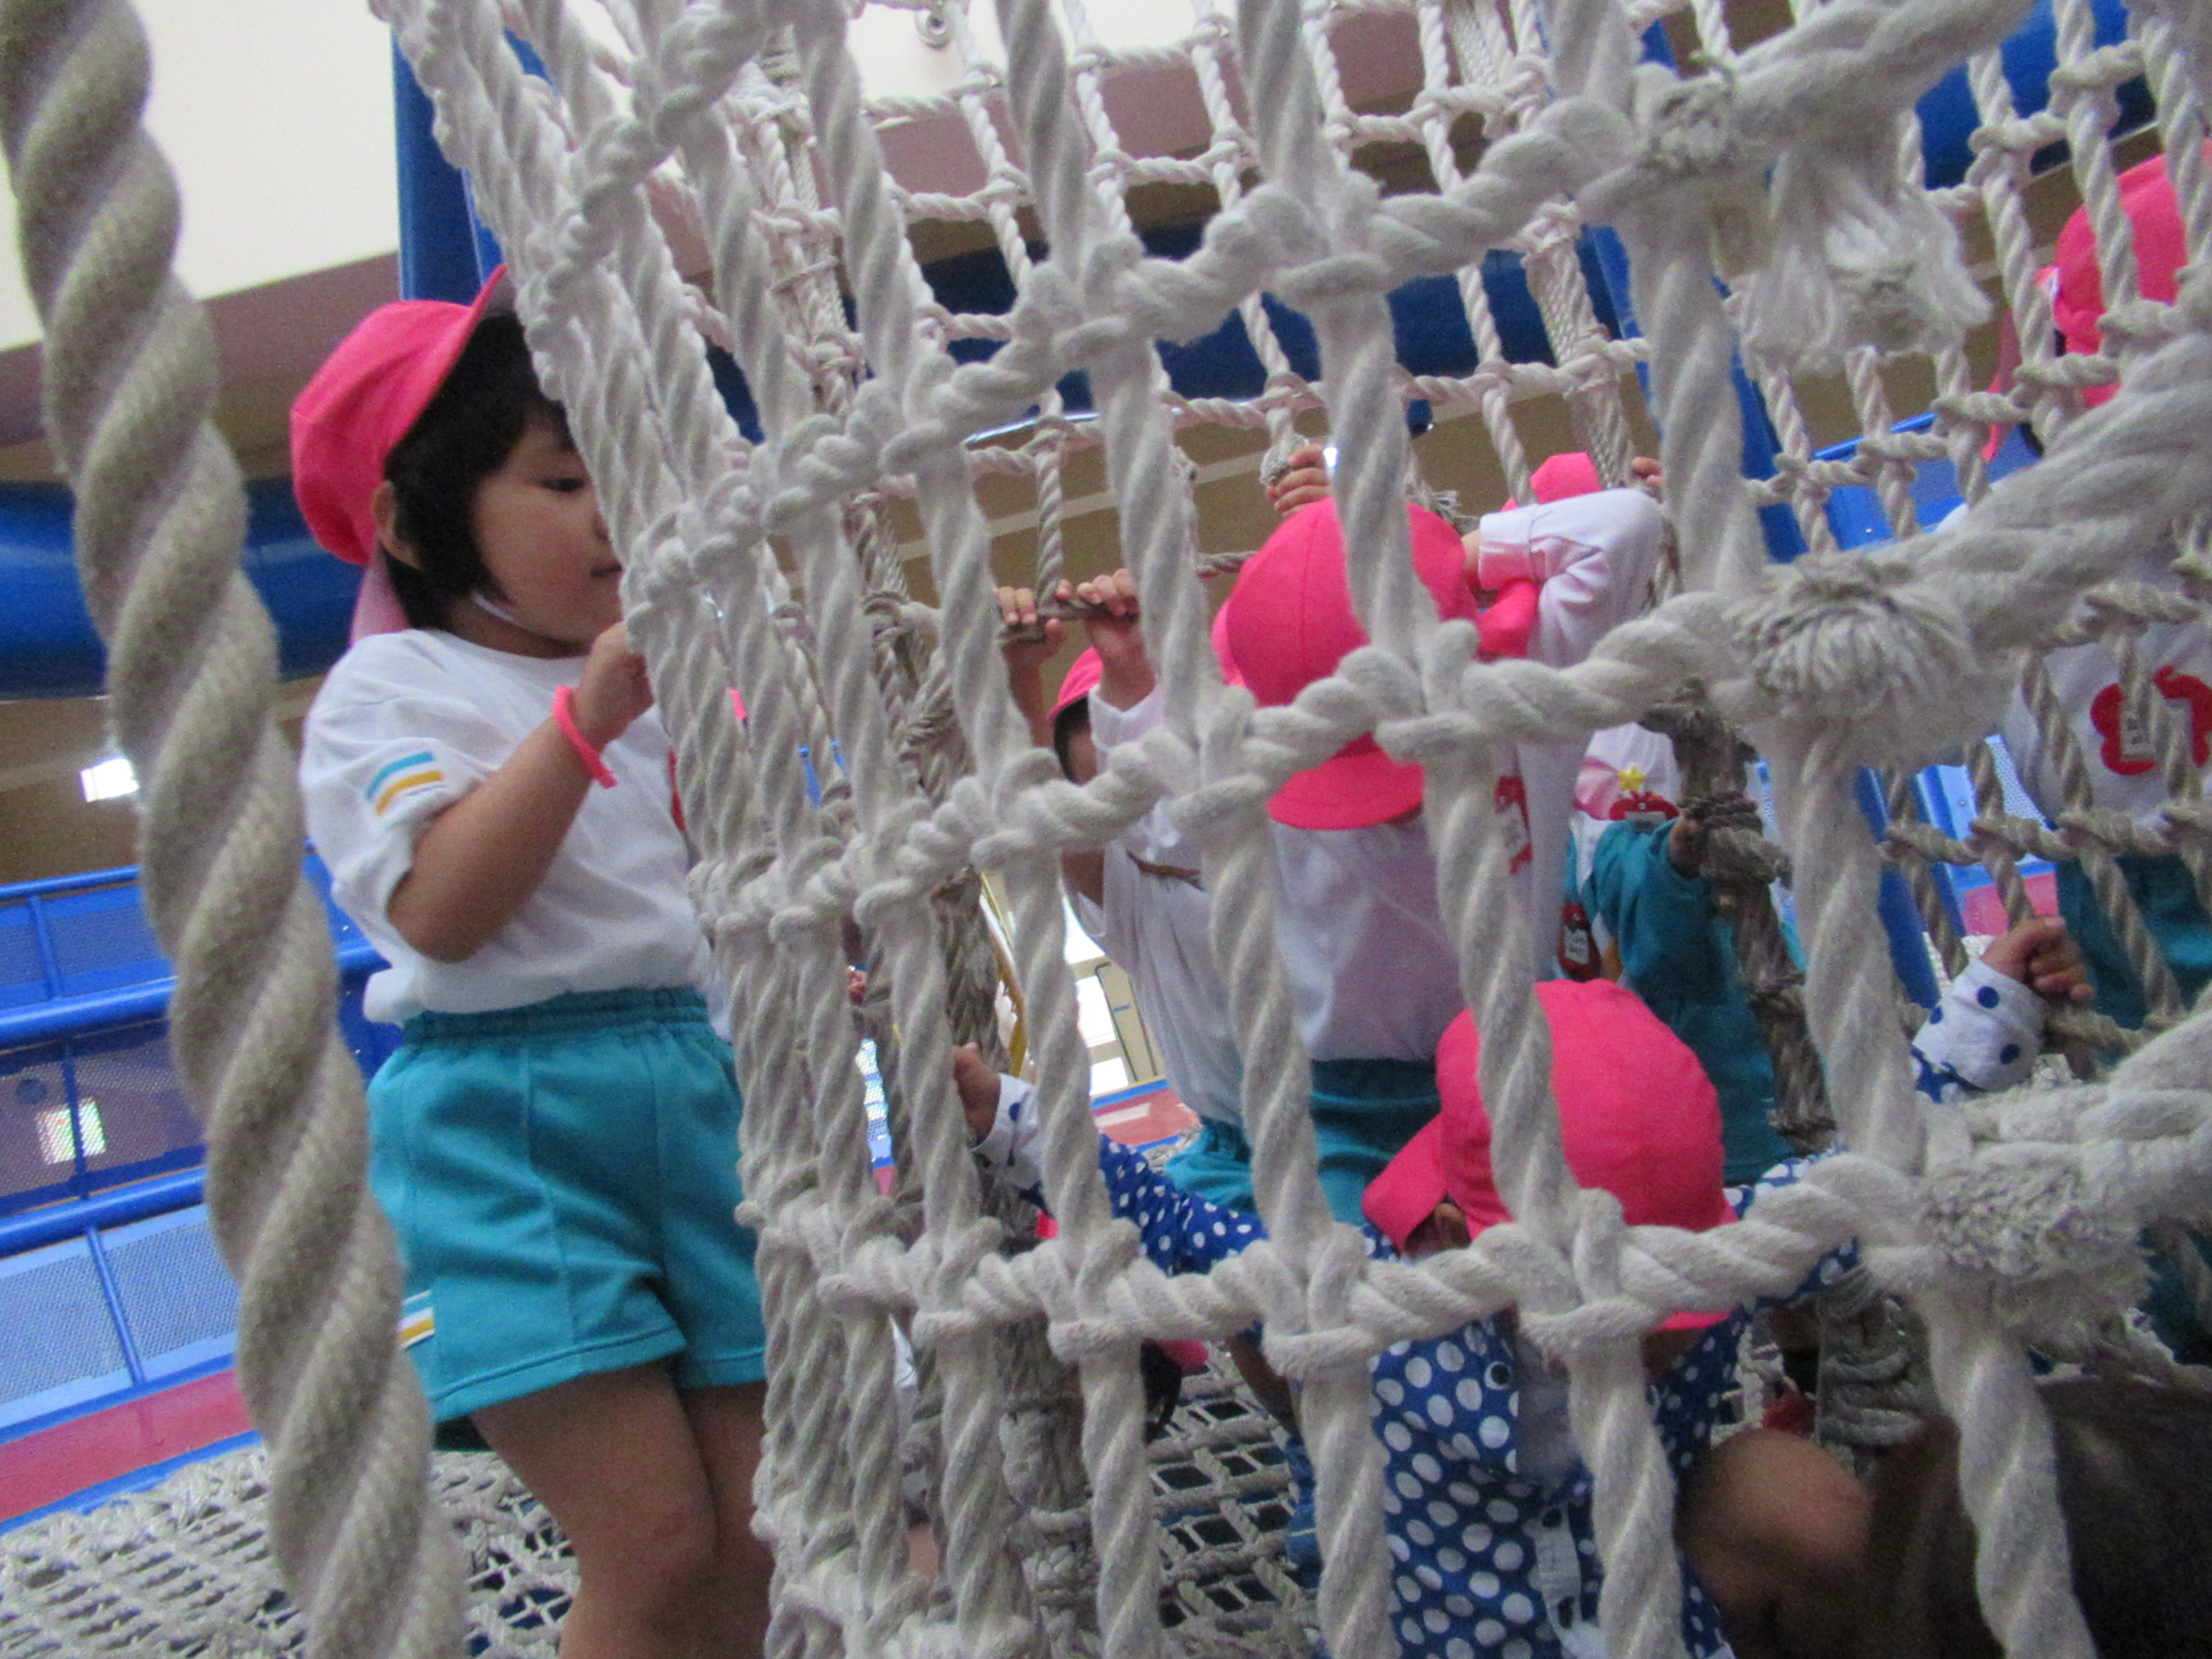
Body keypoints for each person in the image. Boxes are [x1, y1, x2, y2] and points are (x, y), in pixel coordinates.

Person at [958, 914, 2088, 1659]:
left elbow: (1871, 1176)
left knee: (1790, 1497)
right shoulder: (1372, 1314)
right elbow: (1172, 1224)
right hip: (1443, 1639)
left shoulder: (1721, 1251)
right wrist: (1005, 1117)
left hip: (1653, 1617)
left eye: (1671, 1298)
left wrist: (1996, 1000)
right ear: (1460, 1240)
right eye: (1612, 1300)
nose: (1653, 1335)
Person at [292, 273, 773, 1658]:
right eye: (563, 481)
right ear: (412, 525)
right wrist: (586, 721)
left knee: (765, 1530)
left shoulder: (656, 680)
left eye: (618, 471)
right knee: (657, 1546)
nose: (611, 512)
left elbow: (709, 888)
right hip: (505, 1118)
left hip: (687, 1078)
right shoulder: (391, 690)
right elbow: (444, 908)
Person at [1220, 485, 1665, 1223]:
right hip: (1354, 1107)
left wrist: (1452, 561)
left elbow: (1627, 524)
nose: (1383, 798)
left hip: (1523, 1054)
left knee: (1594, 1245)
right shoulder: (1255, 756)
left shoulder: (1521, 691)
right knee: (1356, 1278)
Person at [997, 571, 1254, 1208]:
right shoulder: (1136, 899)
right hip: (1235, 1155)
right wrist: (1021, 678)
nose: (1148, 826)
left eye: (1153, 788)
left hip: (1345, 1119)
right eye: (1114, 807)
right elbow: (1045, 807)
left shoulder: (1280, 843)